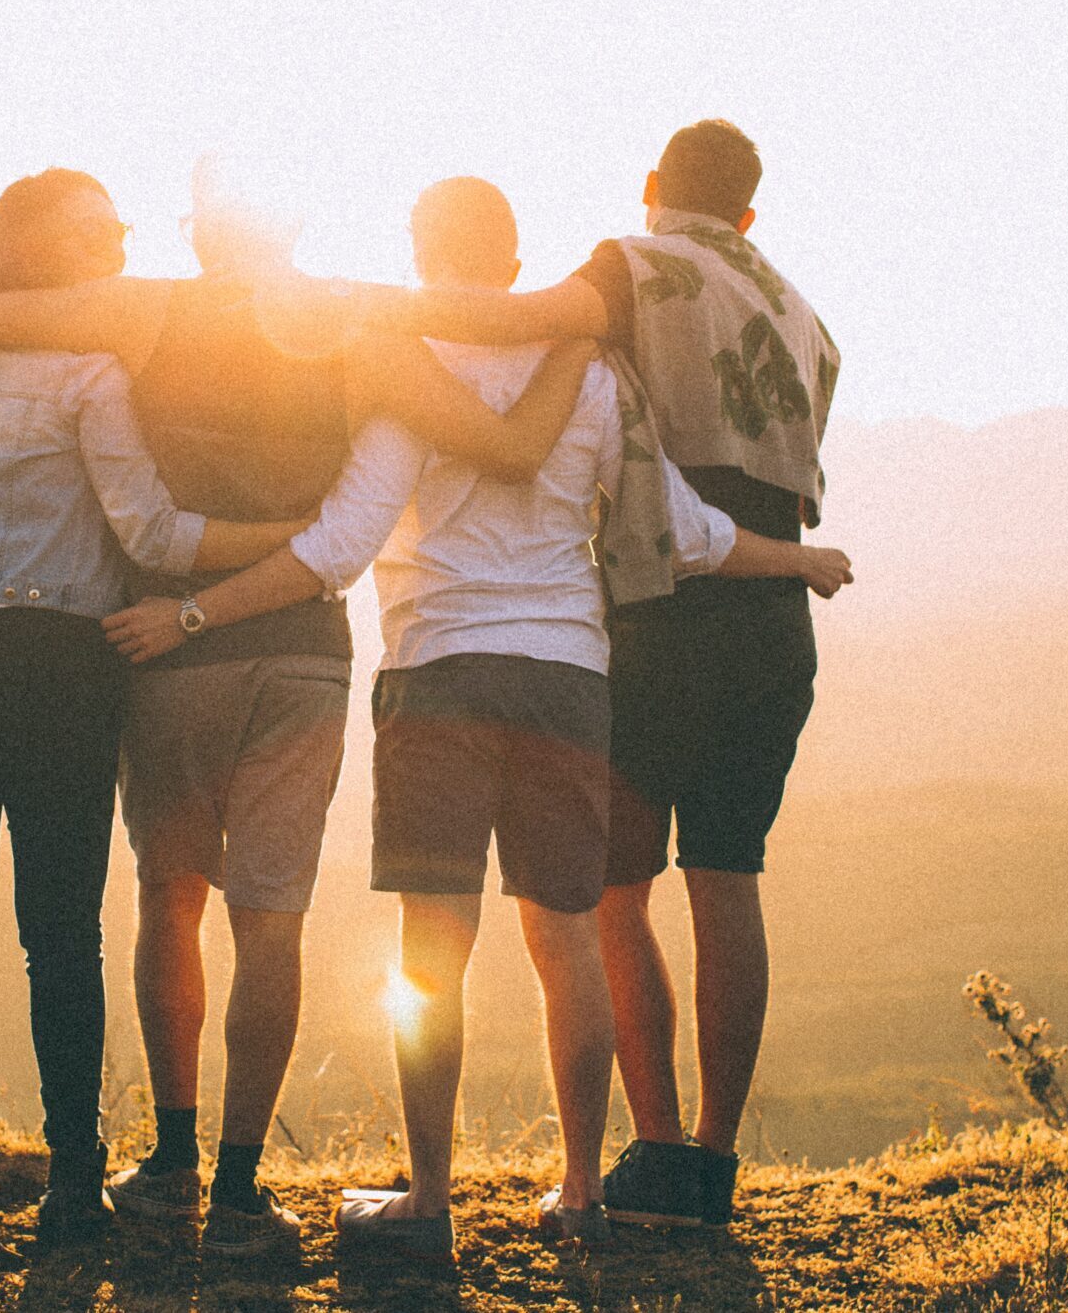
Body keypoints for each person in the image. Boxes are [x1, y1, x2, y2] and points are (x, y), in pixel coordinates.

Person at [102, 177, 852, 1258]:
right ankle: (583, 1190)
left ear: (418, 254)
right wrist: (799, 559)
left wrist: (194, 611)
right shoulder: (592, 374)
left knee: (431, 953)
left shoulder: (406, 369)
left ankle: (430, 1198)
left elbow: (339, 546)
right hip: (567, 680)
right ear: (513, 265)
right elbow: (684, 531)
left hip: (437, 674)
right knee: (567, 944)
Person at [0, 161, 593, 1256]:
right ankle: (241, 1188)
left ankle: (172, 1158)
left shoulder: (146, 309)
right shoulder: (354, 323)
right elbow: (495, 440)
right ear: (292, 221)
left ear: (200, 233)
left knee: (170, 894)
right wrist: (576, 332)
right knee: (270, 917)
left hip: (168, 645)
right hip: (302, 653)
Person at [370, 120, 844, 1227]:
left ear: (650, 188)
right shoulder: (805, 315)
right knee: (728, 878)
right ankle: (709, 1167)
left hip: (659, 608)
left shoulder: (631, 266)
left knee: (609, 897)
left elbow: (519, 320)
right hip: (769, 614)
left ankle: (653, 1152)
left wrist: (350, 311)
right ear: (750, 212)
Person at [0, 167, 310, 1247]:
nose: (120, 245)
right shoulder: (88, 374)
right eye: (100, 232)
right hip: (56, 667)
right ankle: (75, 1180)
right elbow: (155, 538)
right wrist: (289, 541)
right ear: (50, 253)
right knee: (59, 933)